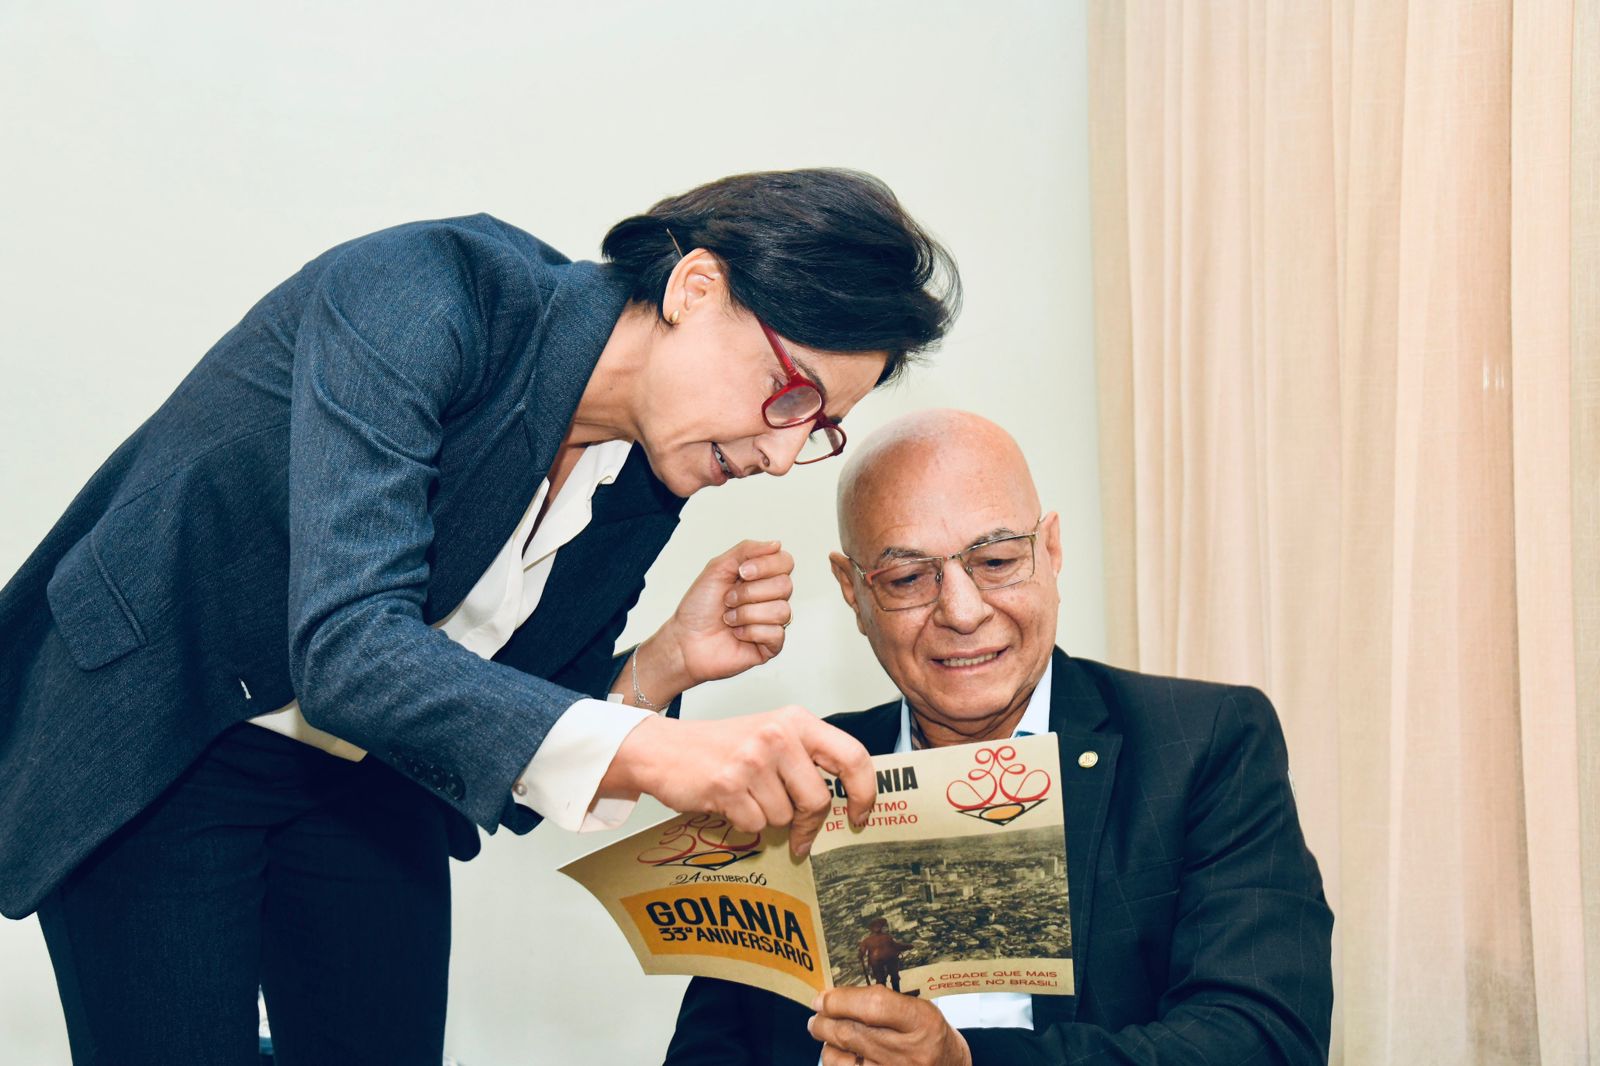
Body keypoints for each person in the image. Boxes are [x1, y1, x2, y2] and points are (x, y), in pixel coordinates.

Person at [0, 169, 960, 1065]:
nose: (785, 455)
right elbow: (350, 651)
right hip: (170, 729)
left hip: (368, 778)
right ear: (695, 290)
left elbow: (504, 734)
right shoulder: (424, 293)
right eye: (791, 393)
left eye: (821, 425)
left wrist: (662, 667)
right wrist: (670, 756)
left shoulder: (646, 472)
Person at [662, 410, 1334, 1066]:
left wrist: (962, 1061)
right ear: (851, 591)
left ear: (1052, 549)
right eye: (906, 578)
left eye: (998, 560)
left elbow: (1263, 1037)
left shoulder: (1201, 744)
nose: (962, 611)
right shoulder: (795, 778)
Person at [857, 918, 913, 993]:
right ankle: (896, 993)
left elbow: (861, 953)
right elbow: (897, 946)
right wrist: (908, 946)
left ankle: (884, 995)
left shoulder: (866, 941)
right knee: (894, 977)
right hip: (890, 959)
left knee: (881, 980)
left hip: (877, 962)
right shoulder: (887, 937)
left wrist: (860, 955)